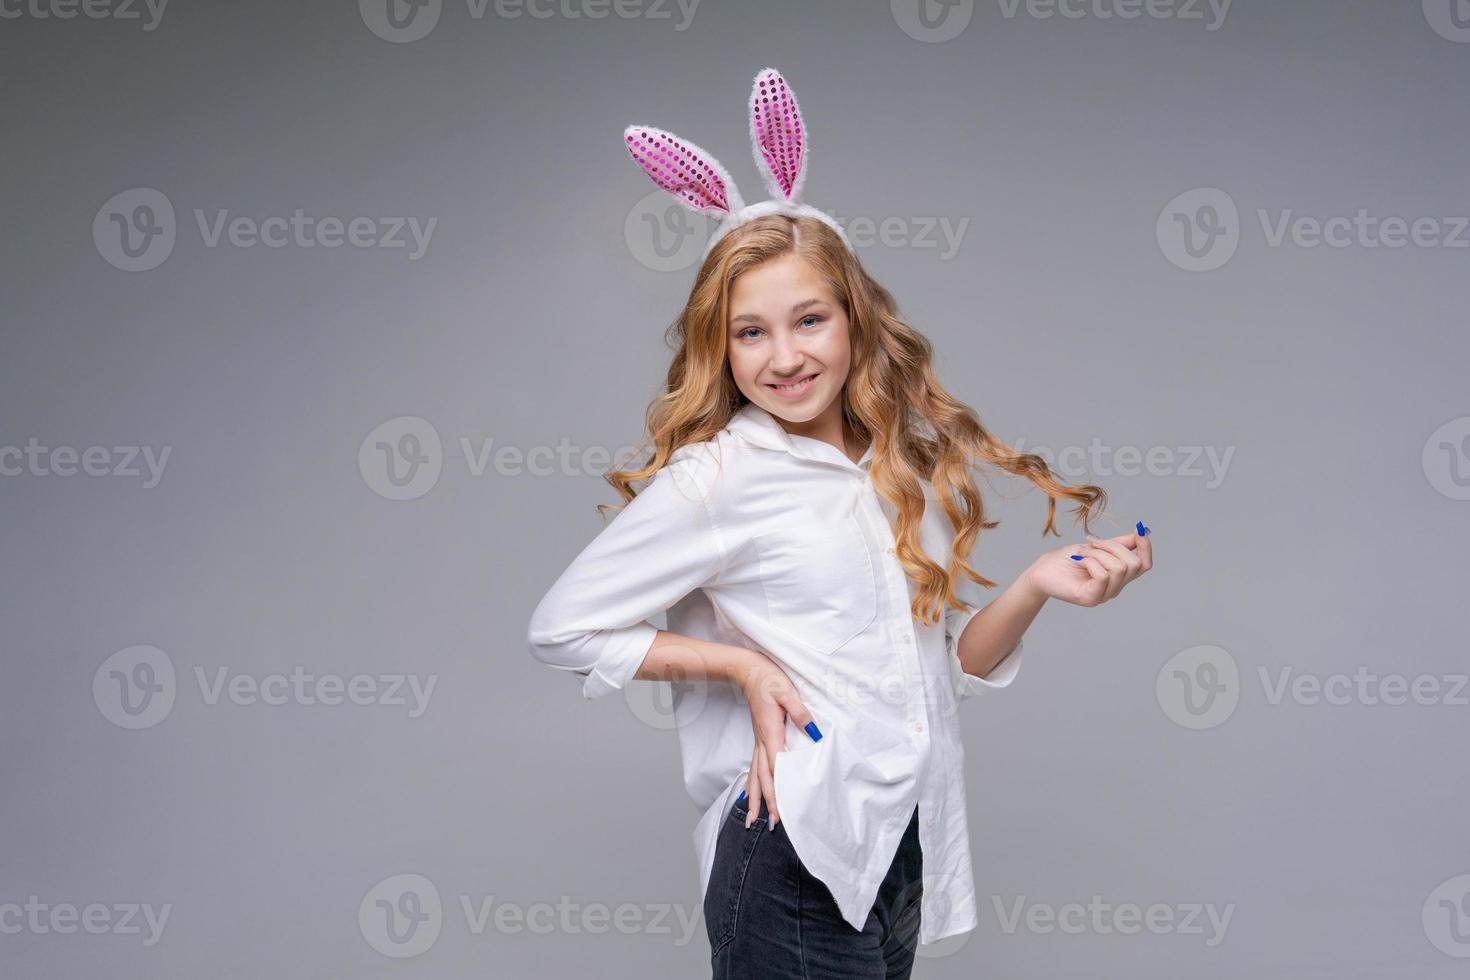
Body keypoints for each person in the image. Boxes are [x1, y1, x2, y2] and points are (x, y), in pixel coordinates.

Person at [527, 68, 1154, 979]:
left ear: (855, 320)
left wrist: (1035, 587)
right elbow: (561, 627)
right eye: (750, 333)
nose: (784, 357)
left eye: (808, 319)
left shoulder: (900, 464)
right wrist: (741, 665)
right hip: (791, 853)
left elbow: (935, 677)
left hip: (898, 851)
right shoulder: (722, 477)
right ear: (721, 345)